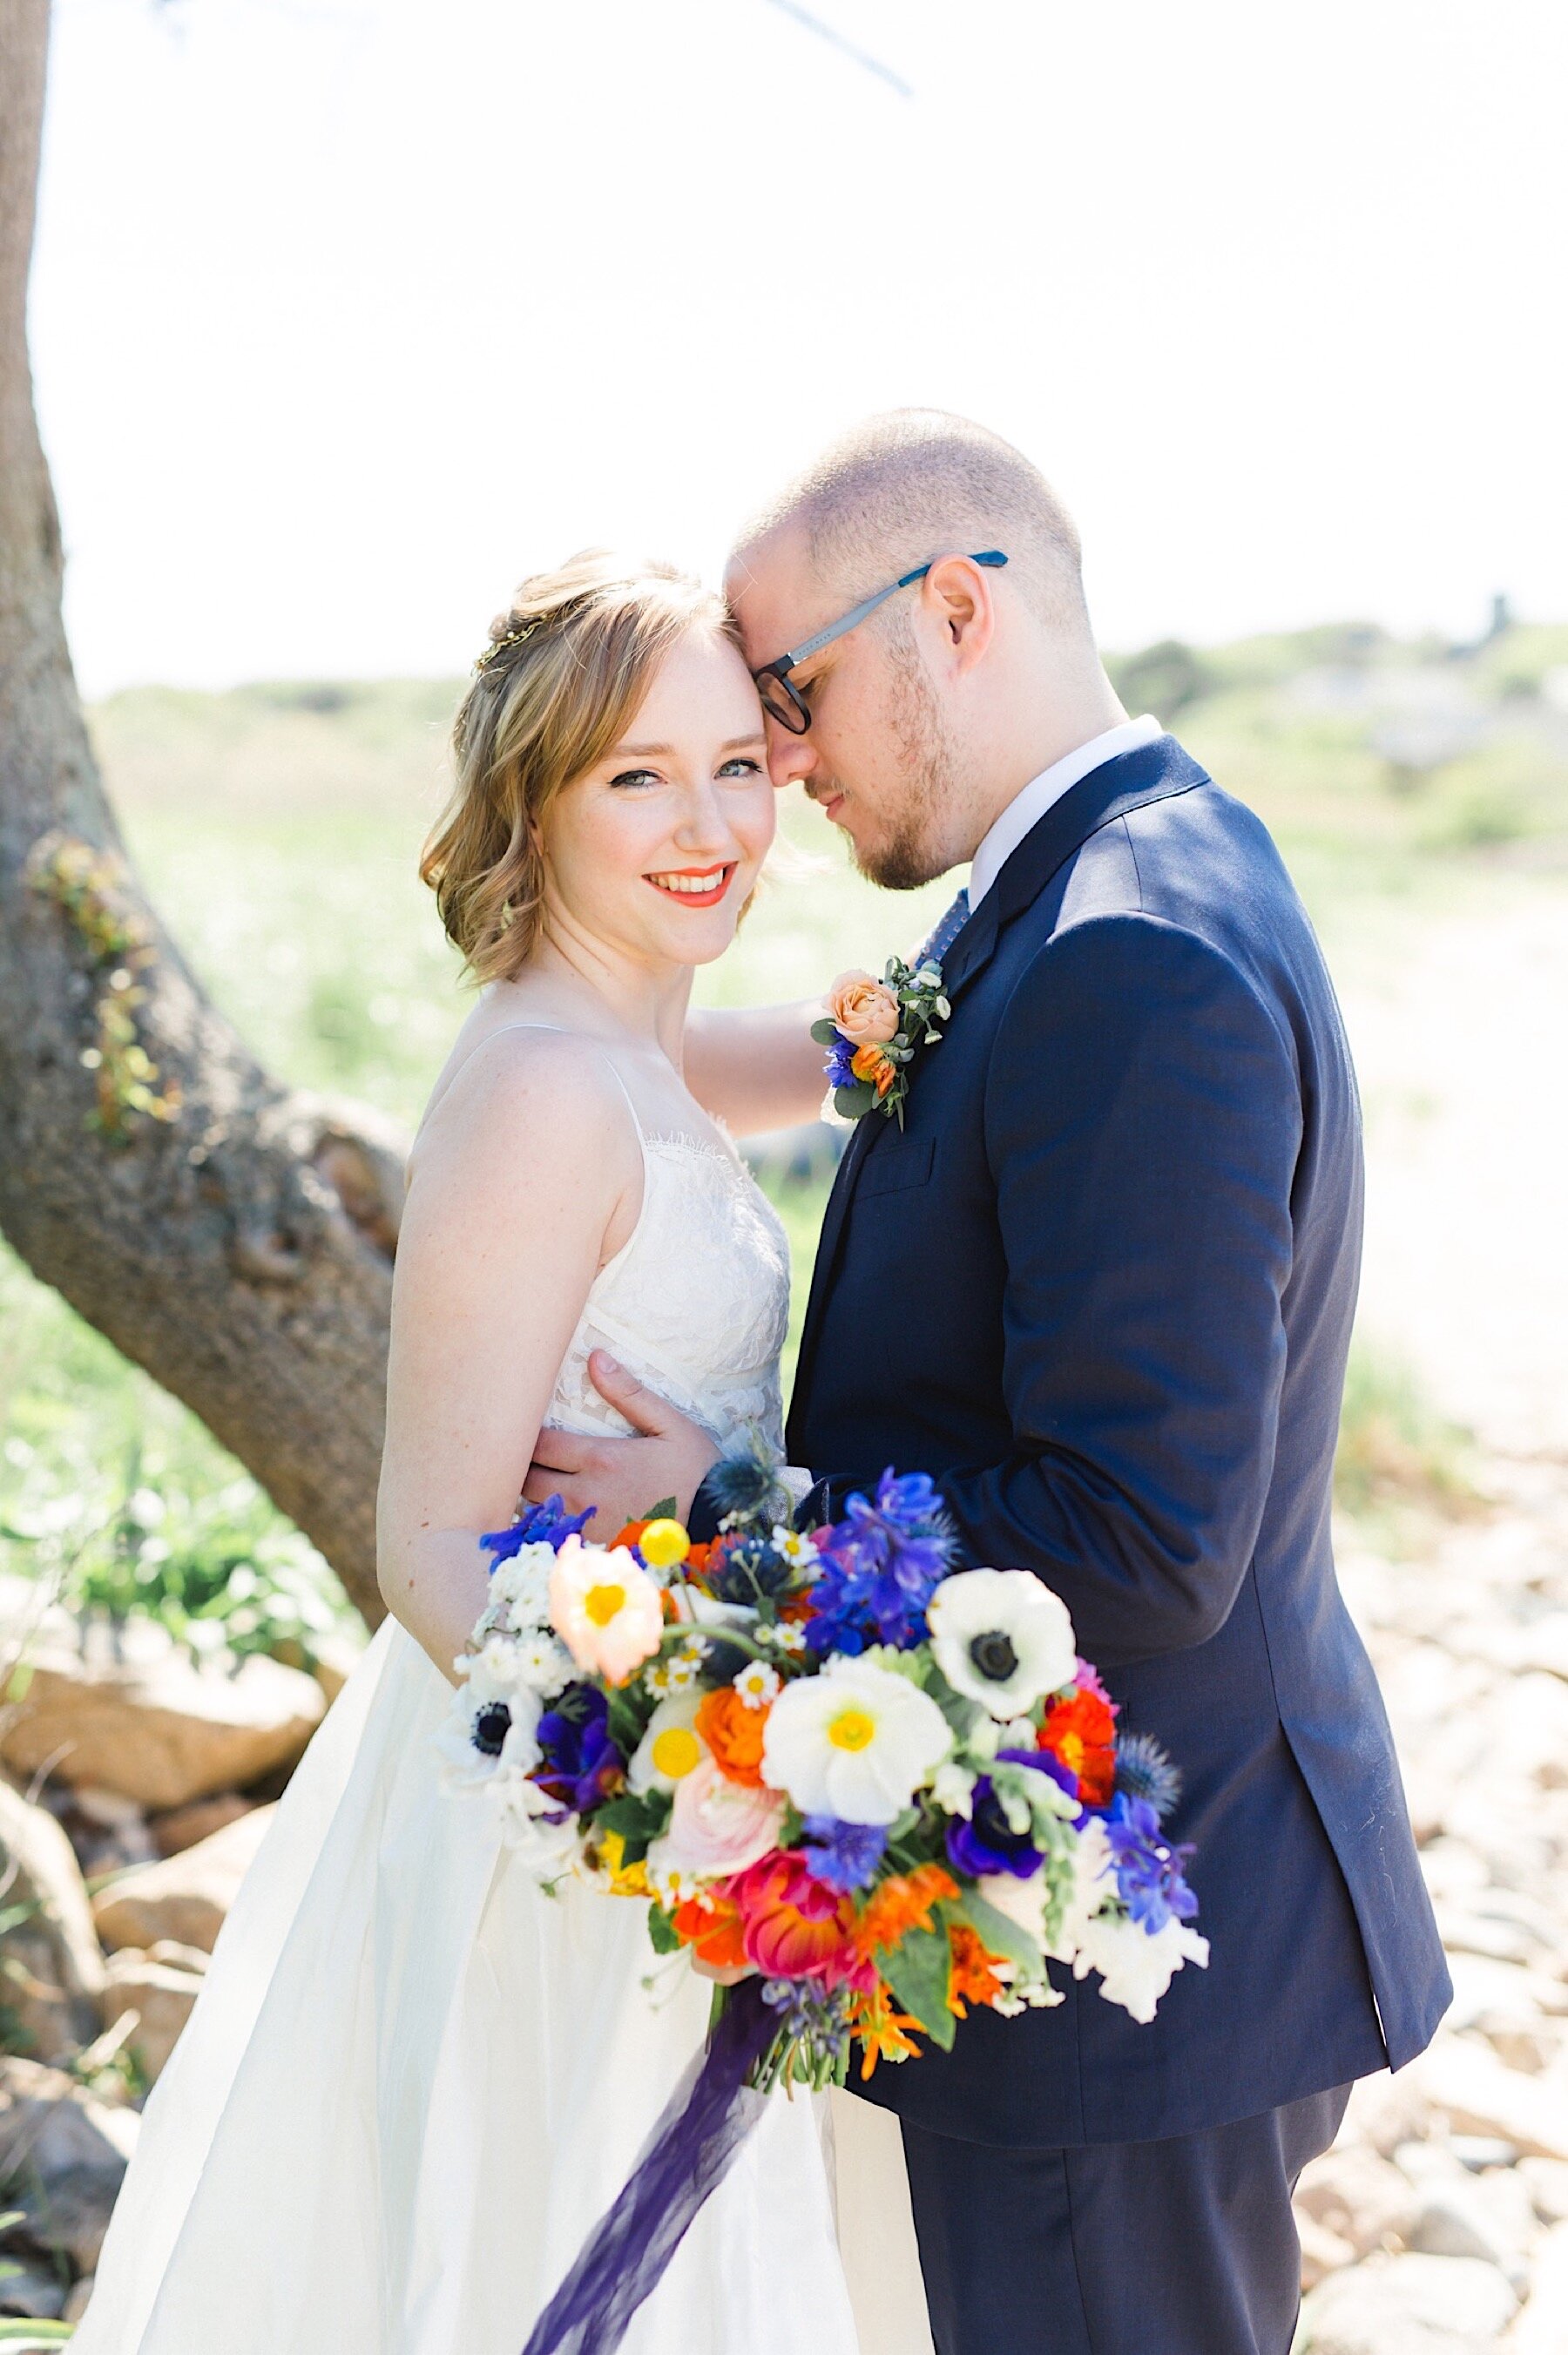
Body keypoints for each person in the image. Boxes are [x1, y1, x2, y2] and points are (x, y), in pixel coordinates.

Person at [539, 414, 1455, 2355]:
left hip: (1120, 1976)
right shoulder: (1108, 870)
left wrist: (715, 1512)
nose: (777, 757)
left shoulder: (1129, 949)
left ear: (954, 609)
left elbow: (1138, 1535)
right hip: (1095, 1928)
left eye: (789, 691)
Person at [71, 551, 914, 2355]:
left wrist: (908, 1030)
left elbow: (744, 1074)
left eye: (739, 766)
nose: (711, 827)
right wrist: (686, 1789)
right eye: (638, 777)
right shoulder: (541, 1091)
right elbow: (432, 1551)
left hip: (687, 1733)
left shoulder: (640, 1026)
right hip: (584, 1805)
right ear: (536, 797)